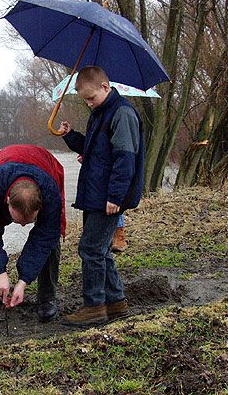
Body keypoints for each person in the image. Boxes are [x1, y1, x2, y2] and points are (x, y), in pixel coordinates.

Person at [59, 65, 145, 326]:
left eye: (91, 98)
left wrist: (115, 197)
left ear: (105, 87)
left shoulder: (122, 113)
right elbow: (94, 147)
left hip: (108, 196)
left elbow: (125, 159)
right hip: (96, 192)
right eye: (85, 99)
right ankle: (116, 302)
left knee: (90, 249)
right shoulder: (101, 112)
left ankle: (94, 306)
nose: (88, 103)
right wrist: (70, 136)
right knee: (101, 249)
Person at [0, 144, 66, 323]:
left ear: (41, 207)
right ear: (7, 203)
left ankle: (47, 298)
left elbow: (44, 238)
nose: (22, 226)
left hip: (45, 166)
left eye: (27, 221)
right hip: (5, 164)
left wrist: (23, 282)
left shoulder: (50, 193)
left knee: (51, 240)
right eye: (18, 220)